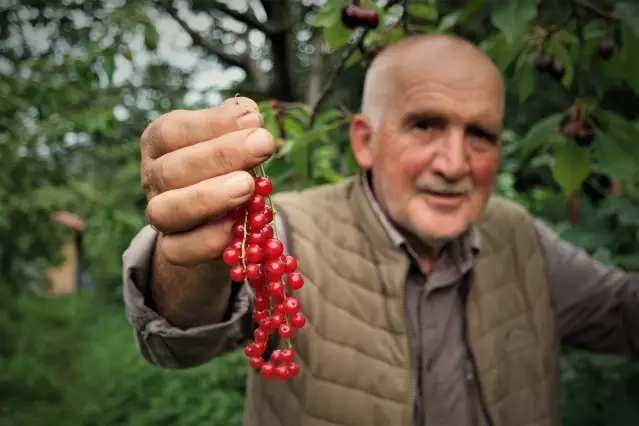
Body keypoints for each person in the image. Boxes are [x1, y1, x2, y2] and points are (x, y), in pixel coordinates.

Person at [122, 34, 639, 426]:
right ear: (365, 142)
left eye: (480, 134)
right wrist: (193, 254)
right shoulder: (293, 231)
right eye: (425, 125)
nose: (455, 162)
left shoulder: (520, 238)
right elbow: (182, 331)